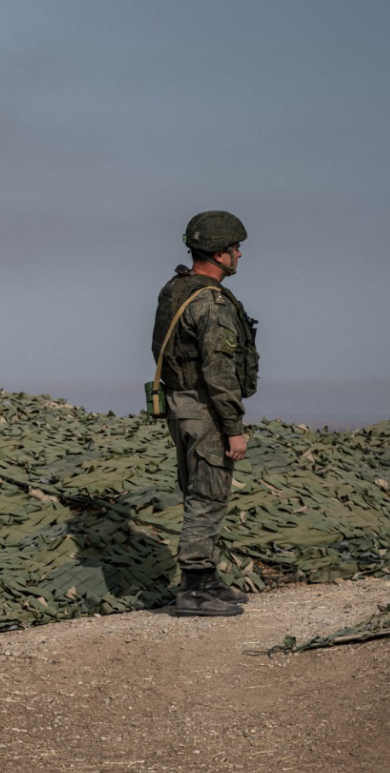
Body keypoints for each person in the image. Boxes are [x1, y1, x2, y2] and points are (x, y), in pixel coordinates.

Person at [151, 211, 260, 617]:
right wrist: (233, 428)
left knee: (199, 491)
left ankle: (207, 579)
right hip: (204, 408)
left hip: (179, 405)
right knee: (208, 496)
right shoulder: (212, 303)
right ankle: (195, 589)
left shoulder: (174, 290)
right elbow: (219, 370)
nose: (240, 255)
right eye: (235, 248)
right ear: (219, 253)